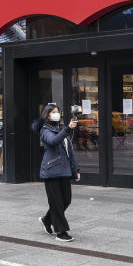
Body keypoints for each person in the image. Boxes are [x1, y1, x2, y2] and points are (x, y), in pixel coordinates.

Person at [38, 103, 80, 242]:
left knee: (66, 200)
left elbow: (70, 152)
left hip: (64, 170)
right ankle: (61, 232)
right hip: (51, 171)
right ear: (47, 115)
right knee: (56, 202)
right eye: (53, 112)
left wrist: (76, 170)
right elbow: (54, 141)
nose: (56, 114)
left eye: (58, 112)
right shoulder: (44, 130)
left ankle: (47, 219)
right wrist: (68, 128)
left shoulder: (61, 128)